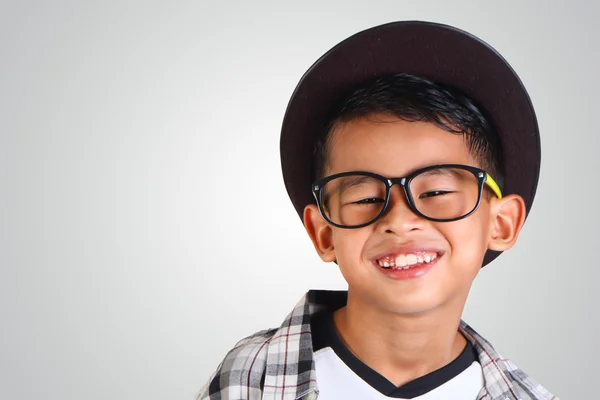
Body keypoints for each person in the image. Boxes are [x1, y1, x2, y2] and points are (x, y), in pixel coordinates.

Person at [197, 21, 557, 400]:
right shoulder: (249, 380)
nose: (399, 221)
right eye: (366, 198)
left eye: (436, 191)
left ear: (501, 224)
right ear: (323, 233)